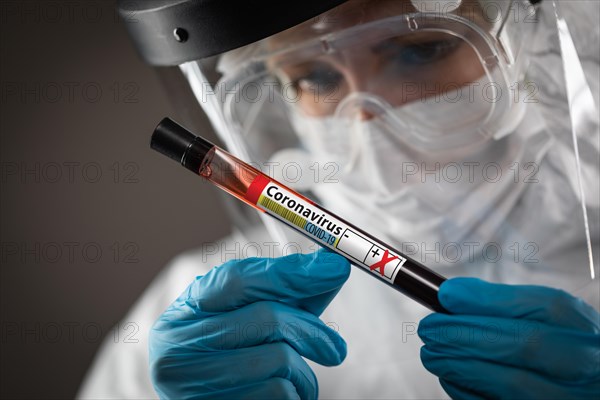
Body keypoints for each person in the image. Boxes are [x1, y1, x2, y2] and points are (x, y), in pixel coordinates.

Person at [79, 0, 600, 398]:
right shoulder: (209, 318)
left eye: (423, 49)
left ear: (535, 46)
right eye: (316, 77)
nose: (365, 117)